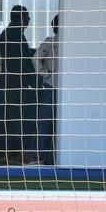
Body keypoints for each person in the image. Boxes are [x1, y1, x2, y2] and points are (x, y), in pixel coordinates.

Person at [0, 5, 40, 165]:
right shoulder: (15, 35)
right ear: (20, 18)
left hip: (9, 81)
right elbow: (23, 62)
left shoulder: (7, 33)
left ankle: (5, 153)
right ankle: (12, 154)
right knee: (14, 120)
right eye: (27, 17)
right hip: (15, 83)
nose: (29, 20)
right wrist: (34, 82)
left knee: (8, 118)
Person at [34, 14, 59, 165]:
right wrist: (45, 74)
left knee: (56, 122)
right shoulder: (50, 42)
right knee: (45, 121)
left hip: (68, 88)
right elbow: (35, 58)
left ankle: (54, 156)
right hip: (51, 87)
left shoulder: (74, 42)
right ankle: (39, 155)